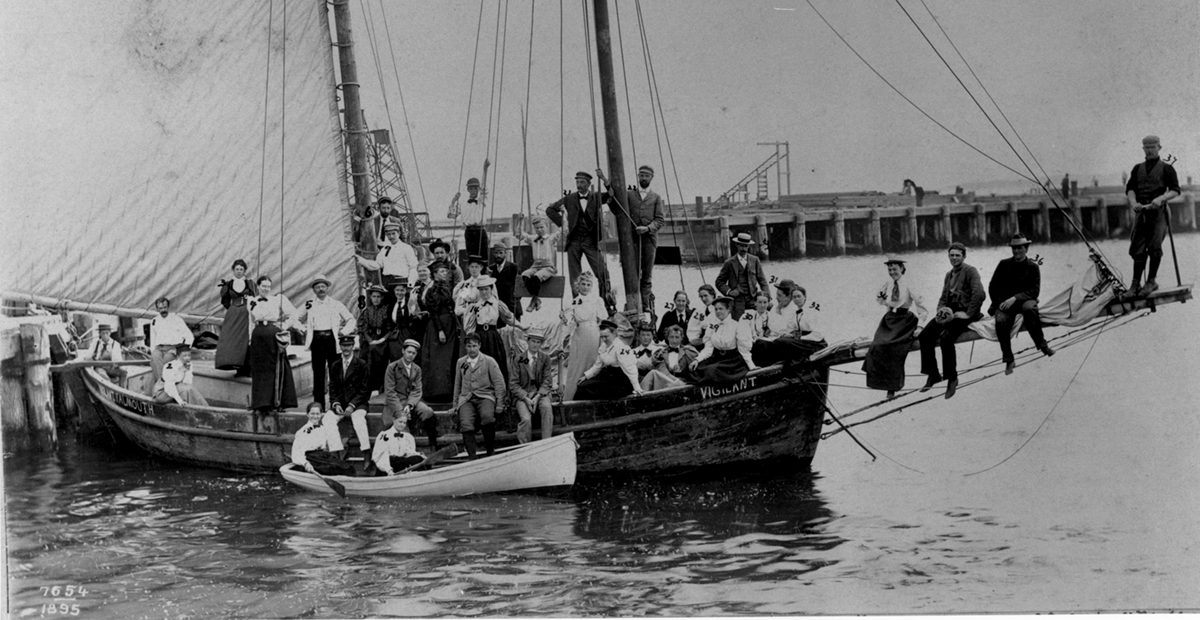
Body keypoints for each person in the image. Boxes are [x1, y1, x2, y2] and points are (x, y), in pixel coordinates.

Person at [919, 242, 986, 399]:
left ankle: (952, 378)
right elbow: (943, 298)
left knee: (946, 338)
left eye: (958, 255)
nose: (954, 258)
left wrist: (968, 314)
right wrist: (940, 313)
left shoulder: (971, 271)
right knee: (925, 335)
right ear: (948, 256)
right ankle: (933, 374)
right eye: (952, 255)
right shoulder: (949, 275)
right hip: (950, 312)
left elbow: (980, 294)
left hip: (965, 313)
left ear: (964, 256)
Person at [597, 165, 664, 315]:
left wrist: (647, 228)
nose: (644, 178)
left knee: (646, 274)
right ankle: (632, 303)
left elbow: (659, 220)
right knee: (632, 272)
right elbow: (617, 210)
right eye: (641, 175)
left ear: (651, 178)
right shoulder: (629, 195)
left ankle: (645, 306)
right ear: (638, 177)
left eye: (647, 176)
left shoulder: (656, 197)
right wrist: (609, 196)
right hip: (631, 240)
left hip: (649, 239)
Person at [988, 234, 1055, 375]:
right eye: (1014, 248)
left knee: (1030, 309)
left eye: (1020, 248)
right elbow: (993, 286)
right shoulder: (1003, 264)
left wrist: (1015, 298)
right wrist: (1000, 303)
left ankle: (1042, 346)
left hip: (1024, 300)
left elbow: (1034, 291)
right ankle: (1008, 359)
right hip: (1005, 303)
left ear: (1026, 249)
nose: (1016, 251)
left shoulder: (1033, 267)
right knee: (1000, 320)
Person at [862, 259, 928, 399]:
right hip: (890, 318)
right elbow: (881, 301)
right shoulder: (888, 284)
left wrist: (920, 326)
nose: (892, 273)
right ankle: (877, 383)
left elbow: (921, 305)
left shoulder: (910, 284)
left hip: (905, 320)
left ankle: (892, 387)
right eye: (890, 270)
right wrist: (883, 299)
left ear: (902, 269)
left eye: (895, 270)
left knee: (894, 348)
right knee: (877, 345)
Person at [1125, 134, 1181, 296]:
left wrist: (1161, 198)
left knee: (1154, 246)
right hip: (1141, 212)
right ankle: (1135, 285)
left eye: (1152, 147)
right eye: (1146, 148)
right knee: (1137, 248)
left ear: (1159, 148)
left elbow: (1175, 190)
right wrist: (1133, 202)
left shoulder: (1167, 168)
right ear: (1143, 149)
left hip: (1159, 213)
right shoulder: (1137, 168)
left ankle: (1151, 281)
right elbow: (1130, 189)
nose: (1149, 151)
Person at [546, 171, 611, 301]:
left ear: (589, 184)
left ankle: (605, 303)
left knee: (603, 272)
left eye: (582, 182)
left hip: (590, 240)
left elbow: (612, 194)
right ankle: (577, 302)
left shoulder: (596, 197)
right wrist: (564, 224)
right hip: (574, 241)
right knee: (575, 276)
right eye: (577, 182)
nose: (579, 185)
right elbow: (550, 210)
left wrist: (603, 178)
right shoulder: (569, 199)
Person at [297, 274, 357, 408]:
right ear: (313, 290)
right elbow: (296, 318)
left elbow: (351, 319)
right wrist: (304, 330)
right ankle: (319, 406)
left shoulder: (336, 304)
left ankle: (336, 404)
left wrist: (343, 332)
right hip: (317, 341)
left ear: (327, 288)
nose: (320, 289)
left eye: (323, 286)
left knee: (335, 373)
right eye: (317, 287)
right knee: (318, 374)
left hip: (332, 340)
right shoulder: (309, 304)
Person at [248, 275, 300, 414]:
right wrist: (249, 339)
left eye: (268, 286)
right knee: (259, 369)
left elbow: (294, 314)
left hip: (273, 335)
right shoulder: (251, 300)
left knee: (275, 368)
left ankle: (276, 402)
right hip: (258, 336)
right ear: (258, 286)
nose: (266, 289)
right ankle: (261, 403)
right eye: (263, 286)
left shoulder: (277, 299)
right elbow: (250, 321)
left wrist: (284, 325)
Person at [452, 332, 507, 459]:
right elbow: (457, 385)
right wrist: (455, 405)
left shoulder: (488, 361)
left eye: (474, 346)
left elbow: (499, 383)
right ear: (465, 347)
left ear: (479, 346)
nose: (472, 349)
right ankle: (472, 456)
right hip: (466, 398)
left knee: (487, 417)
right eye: (469, 346)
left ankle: (490, 451)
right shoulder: (461, 362)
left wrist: (499, 403)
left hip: (485, 396)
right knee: (465, 423)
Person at [463, 275, 522, 382]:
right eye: (481, 290)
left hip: (493, 336)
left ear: (491, 289)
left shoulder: (497, 304)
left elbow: (509, 318)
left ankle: (498, 391)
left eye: (486, 289)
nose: (484, 292)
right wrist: (471, 340)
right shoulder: (474, 306)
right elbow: (469, 326)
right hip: (480, 336)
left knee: (496, 362)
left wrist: (522, 327)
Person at [383, 338, 440, 449]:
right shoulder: (392, 368)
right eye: (409, 352)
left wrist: (410, 405)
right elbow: (390, 392)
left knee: (427, 411)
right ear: (403, 351)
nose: (411, 355)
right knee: (402, 428)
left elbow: (417, 390)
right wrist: (400, 409)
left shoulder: (417, 369)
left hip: (409, 402)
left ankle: (433, 444)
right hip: (395, 404)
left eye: (414, 353)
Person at [561, 272, 608, 400]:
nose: (585, 287)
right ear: (578, 285)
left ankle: (592, 395)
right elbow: (569, 322)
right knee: (577, 366)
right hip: (580, 335)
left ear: (591, 286)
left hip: (594, 333)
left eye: (588, 284)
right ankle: (572, 396)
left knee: (594, 363)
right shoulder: (573, 302)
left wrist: (603, 338)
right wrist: (564, 319)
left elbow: (603, 318)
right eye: (583, 284)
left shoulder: (597, 300)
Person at [690, 296, 756, 385]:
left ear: (728, 309)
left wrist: (752, 367)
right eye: (716, 309)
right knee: (698, 368)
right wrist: (697, 360)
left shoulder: (737, 325)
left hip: (733, 360)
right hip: (717, 357)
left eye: (721, 309)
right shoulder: (712, 326)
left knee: (712, 371)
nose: (718, 312)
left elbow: (744, 350)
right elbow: (708, 349)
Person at [420, 261, 460, 404]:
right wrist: (441, 331)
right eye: (442, 271)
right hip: (439, 326)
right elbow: (434, 313)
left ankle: (449, 392)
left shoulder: (447, 287)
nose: (445, 273)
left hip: (450, 324)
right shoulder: (432, 291)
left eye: (445, 271)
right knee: (439, 359)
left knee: (449, 358)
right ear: (435, 274)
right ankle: (436, 393)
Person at [575, 319, 643, 400]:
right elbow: (598, 365)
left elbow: (630, 369)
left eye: (606, 336)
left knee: (586, 388)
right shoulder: (604, 347)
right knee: (582, 385)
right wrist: (586, 376)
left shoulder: (621, 348)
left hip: (620, 381)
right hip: (607, 376)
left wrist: (637, 387)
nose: (603, 339)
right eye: (602, 337)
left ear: (614, 333)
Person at [356, 221, 420, 306]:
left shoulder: (406, 248)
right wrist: (361, 260)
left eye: (393, 233)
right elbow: (377, 265)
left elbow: (413, 267)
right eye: (388, 234)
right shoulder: (385, 249)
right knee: (388, 307)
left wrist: (410, 285)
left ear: (399, 233)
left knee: (402, 307)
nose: (391, 236)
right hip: (386, 282)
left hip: (400, 281)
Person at [328, 334, 372, 454]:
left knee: (358, 418)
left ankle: (366, 451)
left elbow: (365, 390)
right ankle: (337, 450)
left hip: (358, 404)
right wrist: (336, 404)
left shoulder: (362, 364)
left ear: (353, 346)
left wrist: (352, 405)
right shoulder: (335, 365)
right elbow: (332, 388)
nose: (346, 349)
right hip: (341, 405)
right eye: (343, 345)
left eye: (349, 345)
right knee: (327, 418)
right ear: (340, 347)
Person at [509, 327, 554, 443]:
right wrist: (526, 398)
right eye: (533, 341)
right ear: (527, 341)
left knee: (547, 409)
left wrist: (538, 396)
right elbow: (513, 384)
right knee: (525, 419)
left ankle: (546, 443)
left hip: (540, 393)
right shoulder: (519, 359)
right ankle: (525, 447)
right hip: (523, 395)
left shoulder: (545, 358)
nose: (535, 345)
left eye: (538, 342)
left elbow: (547, 380)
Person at [214, 259, 257, 374]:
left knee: (246, 339)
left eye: (241, 269)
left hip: (247, 312)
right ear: (233, 270)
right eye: (237, 269)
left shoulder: (250, 283)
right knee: (232, 339)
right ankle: (236, 366)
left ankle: (247, 368)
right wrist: (234, 308)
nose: (239, 271)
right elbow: (225, 301)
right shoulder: (228, 284)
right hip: (233, 313)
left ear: (245, 271)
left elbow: (256, 297)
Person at [715, 232, 770, 320]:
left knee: (759, 320)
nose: (743, 248)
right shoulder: (729, 262)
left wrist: (767, 297)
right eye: (741, 245)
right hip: (737, 301)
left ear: (748, 246)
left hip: (753, 298)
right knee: (738, 323)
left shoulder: (755, 260)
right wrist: (729, 292)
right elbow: (719, 282)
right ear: (737, 245)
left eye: (745, 246)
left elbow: (762, 281)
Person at [291, 402, 353, 476]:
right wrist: (306, 464)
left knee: (347, 467)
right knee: (335, 468)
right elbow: (297, 452)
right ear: (307, 414)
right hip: (310, 459)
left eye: (317, 414)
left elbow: (333, 422)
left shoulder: (322, 428)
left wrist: (340, 417)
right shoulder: (303, 431)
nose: (315, 416)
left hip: (322, 456)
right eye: (312, 414)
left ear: (321, 415)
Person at [515, 215, 560, 312]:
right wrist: (521, 220)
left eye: (541, 227)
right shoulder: (532, 239)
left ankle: (533, 301)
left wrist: (564, 215)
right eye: (537, 228)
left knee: (536, 277)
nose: (539, 230)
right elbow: (519, 235)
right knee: (525, 275)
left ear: (546, 226)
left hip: (547, 266)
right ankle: (536, 299)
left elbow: (564, 232)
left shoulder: (551, 239)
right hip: (535, 266)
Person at [148, 296, 194, 385]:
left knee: (166, 360)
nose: (163, 310)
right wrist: (153, 350)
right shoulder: (154, 321)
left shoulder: (177, 319)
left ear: (168, 307)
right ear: (157, 309)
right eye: (160, 308)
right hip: (159, 348)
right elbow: (152, 339)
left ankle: (162, 384)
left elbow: (189, 337)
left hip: (172, 348)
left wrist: (179, 350)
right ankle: (162, 383)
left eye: (165, 307)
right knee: (155, 358)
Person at [640, 324, 698, 391]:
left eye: (677, 337)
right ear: (667, 337)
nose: (674, 340)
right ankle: (641, 396)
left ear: (681, 338)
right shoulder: (660, 353)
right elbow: (664, 372)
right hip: (667, 382)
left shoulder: (688, 352)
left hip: (683, 384)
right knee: (653, 373)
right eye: (671, 337)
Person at [357, 284, 393, 392]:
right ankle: (368, 388)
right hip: (370, 339)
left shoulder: (386, 310)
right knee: (366, 358)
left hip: (383, 338)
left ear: (382, 298)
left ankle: (381, 387)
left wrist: (381, 340)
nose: (376, 299)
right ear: (371, 297)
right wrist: (370, 340)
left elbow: (390, 329)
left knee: (380, 360)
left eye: (378, 297)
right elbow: (363, 328)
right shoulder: (367, 311)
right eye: (374, 296)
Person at [451, 177, 490, 259]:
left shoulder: (482, 200)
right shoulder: (463, 203)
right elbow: (452, 215)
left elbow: (484, 187)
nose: (473, 191)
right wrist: (453, 201)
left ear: (478, 189)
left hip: (480, 230)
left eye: (475, 188)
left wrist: (485, 168)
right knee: (471, 255)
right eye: (471, 188)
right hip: (469, 231)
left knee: (484, 255)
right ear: (468, 189)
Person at [385, 279, 421, 362]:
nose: (399, 293)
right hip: (394, 335)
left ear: (406, 291)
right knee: (394, 356)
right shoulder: (391, 303)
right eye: (397, 290)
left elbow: (416, 318)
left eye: (402, 290)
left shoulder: (410, 301)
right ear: (394, 291)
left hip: (408, 333)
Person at [85, 322, 127, 387]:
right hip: (99, 367)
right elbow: (87, 356)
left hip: (111, 368)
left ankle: (122, 392)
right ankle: (110, 393)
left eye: (107, 333)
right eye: (103, 333)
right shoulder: (95, 343)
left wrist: (117, 366)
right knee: (104, 377)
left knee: (124, 373)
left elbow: (118, 359)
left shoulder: (115, 344)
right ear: (99, 334)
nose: (105, 335)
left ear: (110, 333)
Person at [488, 241, 521, 321]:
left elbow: (520, 287)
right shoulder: (490, 269)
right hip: (497, 307)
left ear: (505, 253)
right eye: (496, 253)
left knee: (515, 331)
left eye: (500, 253)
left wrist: (514, 300)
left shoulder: (514, 267)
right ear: (493, 253)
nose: (498, 255)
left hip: (512, 306)